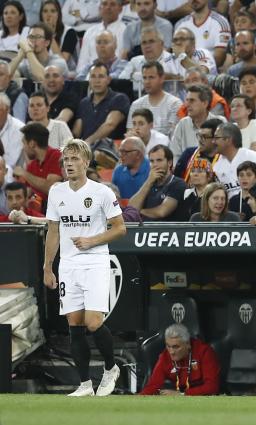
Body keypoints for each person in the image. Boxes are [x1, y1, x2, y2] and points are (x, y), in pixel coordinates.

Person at [43, 139, 127, 397]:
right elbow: (53, 231)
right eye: (66, 160)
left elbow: (120, 228)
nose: (69, 164)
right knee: (74, 323)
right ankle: (84, 385)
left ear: (86, 162)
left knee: (92, 321)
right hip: (68, 265)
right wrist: (48, 267)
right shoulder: (57, 192)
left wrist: (92, 240)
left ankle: (111, 368)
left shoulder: (101, 192)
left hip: (95, 262)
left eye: (74, 159)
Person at [139, 323, 220, 396]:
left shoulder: (204, 352)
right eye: (168, 346)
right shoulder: (165, 356)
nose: (171, 352)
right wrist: (140, 397)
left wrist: (183, 394)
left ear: (187, 344)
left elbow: (212, 387)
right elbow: (153, 385)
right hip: (179, 396)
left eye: (176, 347)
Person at [73, 61, 131, 147]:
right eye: (93, 77)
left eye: (101, 76)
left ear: (108, 80)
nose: (97, 81)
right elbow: (77, 132)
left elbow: (110, 124)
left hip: (109, 149)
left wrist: (87, 143)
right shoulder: (84, 102)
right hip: (86, 151)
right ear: (89, 80)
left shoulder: (119, 98)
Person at [128, 145, 187, 221]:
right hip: (145, 231)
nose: (155, 165)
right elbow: (131, 208)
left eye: (159, 160)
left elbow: (162, 212)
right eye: (152, 161)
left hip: (168, 231)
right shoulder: (148, 183)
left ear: (169, 163)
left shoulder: (178, 184)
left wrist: (138, 211)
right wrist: (149, 182)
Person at [212, 122, 256, 199]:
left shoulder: (250, 156)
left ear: (228, 140)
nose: (213, 141)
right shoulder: (217, 164)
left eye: (216, 138)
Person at [126, 61, 183, 137]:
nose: (147, 82)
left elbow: (174, 135)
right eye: (144, 78)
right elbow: (130, 133)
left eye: (151, 77)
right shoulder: (136, 104)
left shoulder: (175, 103)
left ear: (162, 78)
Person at [14, 122, 63, 207]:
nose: (23, 147)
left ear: (32, 144)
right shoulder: (32, 166)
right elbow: (27, 193)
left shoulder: (57, 156)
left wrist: (24, 173)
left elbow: (51, 188)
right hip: (38, 214)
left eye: (24, 143)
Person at [76, 0, 126, 77]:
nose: (108, 7)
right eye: (104, 4)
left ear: (120, 9)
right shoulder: (90, 32)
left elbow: (122, 62)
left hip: (115, 77)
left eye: (112, 4)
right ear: (99, 8)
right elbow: (82, 64)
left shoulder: (125, 31)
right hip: (89, 78)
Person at [174, 0, 230, 68]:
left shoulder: (220, 22)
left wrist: (201, 69)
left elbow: (219, 58)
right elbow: (176, 54)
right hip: (183, 72)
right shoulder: (180, 25)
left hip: (209, 72)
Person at [168, 84, 217, 159]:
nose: (187, 105)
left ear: (205, 103)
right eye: (187, 100)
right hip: (186, 169)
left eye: (192, 101)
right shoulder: (182, 124)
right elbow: (175, 155)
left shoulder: (219, 123)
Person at [173, 118, 222, 182]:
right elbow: (176, 181)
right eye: (199, 136)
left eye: (204, 137)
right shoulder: (188, 154)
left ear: (215, 139)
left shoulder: (224, 159)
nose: (200, 140)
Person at [230, 94, 256, 166]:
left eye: (238, 106)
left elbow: (255, 153)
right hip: (234, 168)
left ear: (249, 111)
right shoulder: (231, 127)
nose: (234, 109)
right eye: (232, 106)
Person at [40, 0, 78, 69]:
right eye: (45, 11)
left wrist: (49, 33)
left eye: (53, 11)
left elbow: (62, 62)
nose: (49, 15)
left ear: (59, 14)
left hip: (66, 75)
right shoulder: (36, 32)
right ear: (41, 15)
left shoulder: (70, 32)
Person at [44, 65, 79, 130]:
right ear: (43, 81)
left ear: (63, 80)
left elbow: (62, 120)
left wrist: (41, 131)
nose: (51, 80)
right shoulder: (38, 98)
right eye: (47, 76)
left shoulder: (70, 98)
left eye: (55, 76)